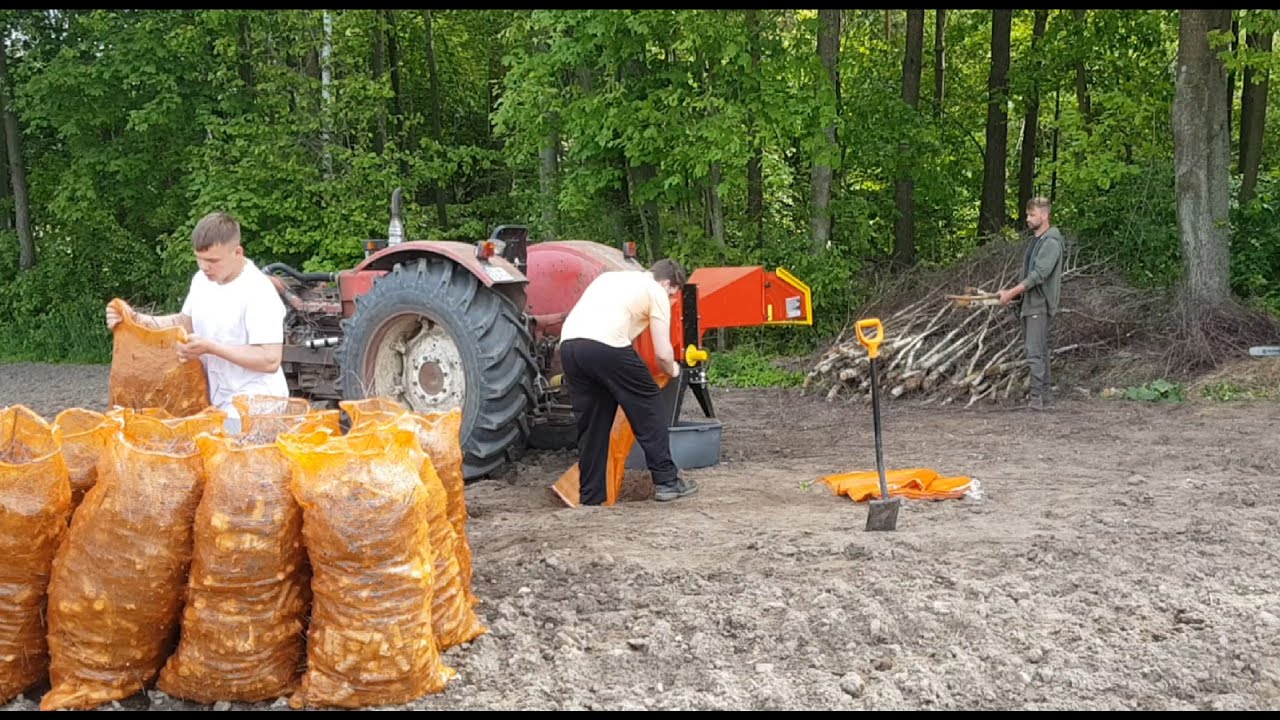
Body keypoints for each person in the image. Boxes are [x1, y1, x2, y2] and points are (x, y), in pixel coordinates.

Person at [105, 211, 288, 433]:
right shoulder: (202, 280)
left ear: (237, 252)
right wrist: (134, 319)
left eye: (212, 260)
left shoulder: (258, 290)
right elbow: (184, 322)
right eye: (199, 259)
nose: (204, 267)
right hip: (215, 404)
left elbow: (269, 359)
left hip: (257, 409)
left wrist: (210, 348)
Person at [558, 258, 699, 505]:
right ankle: (667, 481)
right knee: (650, 404)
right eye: (672, 294)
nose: (669, 299)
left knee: (593, 425)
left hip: (570, 346)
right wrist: (674, 370)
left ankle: (591, 497)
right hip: (606, 345)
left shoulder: (611, 278)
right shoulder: (655, 290)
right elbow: (663, 354)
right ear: (666, 283)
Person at [998, 196, 1064, 410]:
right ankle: (1043, 397)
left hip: (1039, 306)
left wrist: (1012, 292)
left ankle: (1037, 398)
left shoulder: (1051, 242)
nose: (1027, 218)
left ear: (1044, 216)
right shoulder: (1038, 242)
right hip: (1030, 304)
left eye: (1032, 215)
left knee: (1034, 351)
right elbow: (1030, 276)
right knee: (1039, 350)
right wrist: (1012, 295)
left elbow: (1038, 275)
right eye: (1028, 214)